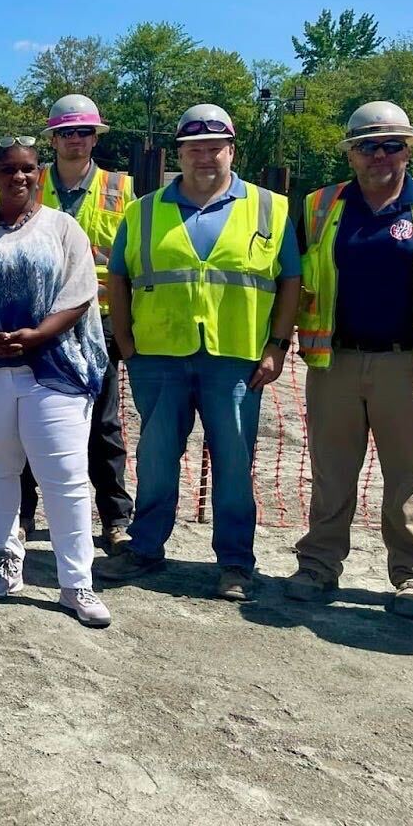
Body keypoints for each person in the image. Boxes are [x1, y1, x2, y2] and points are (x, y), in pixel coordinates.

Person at [287, 102, 413, 620]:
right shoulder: (318, 207)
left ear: (408, 151)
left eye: (392, 145)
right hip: (335, 363)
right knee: (331, 474)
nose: (379, 155)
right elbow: (293, 278)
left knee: (408, 478)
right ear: (350, 154)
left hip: (409, 366)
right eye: (367, 146)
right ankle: (318, 566)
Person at [98, 104, 301, 601]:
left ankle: (235, 562)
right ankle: (146, 548)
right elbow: (118, 277)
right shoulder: (144, 211)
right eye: (194, 149)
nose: (205, 157)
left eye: (214, 148)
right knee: (157, 457)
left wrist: (276, 346)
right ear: (180, 154)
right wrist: (126, 340)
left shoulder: (270, 208)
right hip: (158, 356)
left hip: (236, 358)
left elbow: (291, 281)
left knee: (234, 463)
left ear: (232, 150)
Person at [0, 138, 113, 627]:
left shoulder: (61, 228)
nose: (19, 177)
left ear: (39, 174)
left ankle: (76, 582)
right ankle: (5, 561)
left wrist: (37, 335)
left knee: (64, 476)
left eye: (28, 169)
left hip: (55, 368)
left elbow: (79, 293)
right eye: (9, 169)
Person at [19, 94, 136, 553]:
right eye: (66, 133)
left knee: (103, 424)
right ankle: (23, 514)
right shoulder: (30, 182)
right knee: (29, 418)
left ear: (95, 137)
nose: (75, 140)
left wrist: (125, 326)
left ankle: (115, 518)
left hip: (95, 322)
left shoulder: (120, 189)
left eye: (83, 132)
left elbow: (130, 261)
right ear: (53, 139)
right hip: (38, 322)